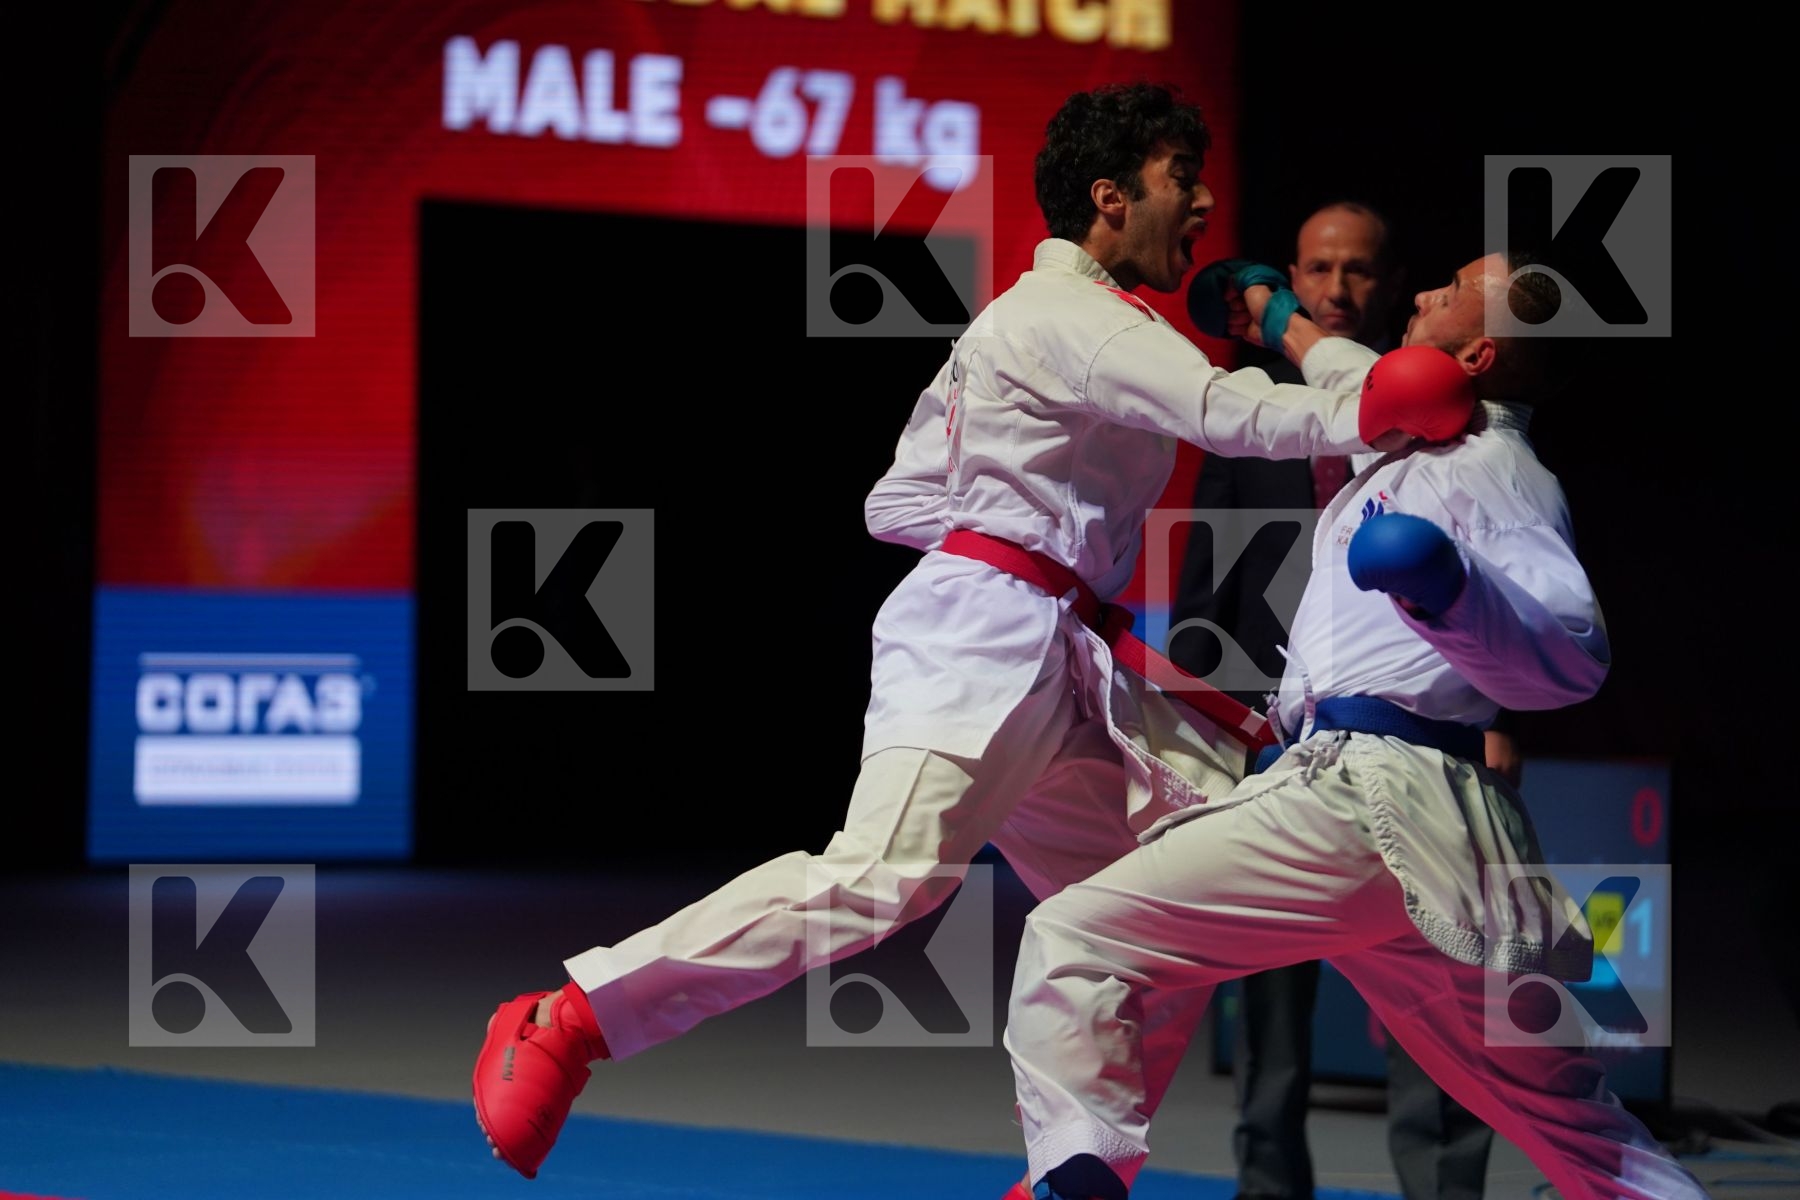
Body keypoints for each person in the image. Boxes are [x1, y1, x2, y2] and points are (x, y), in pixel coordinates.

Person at [469, 82, 1413, 1180]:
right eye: (1178, 180)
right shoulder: (1072, 318)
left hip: (1054, 650)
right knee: (882, 880)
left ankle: (1076, 1172)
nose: (1202, 202)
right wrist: (1387, 400)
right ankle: (569, 1015)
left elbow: (897, 498)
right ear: (1110, 199)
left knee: (1158, 922)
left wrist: (1024, 547)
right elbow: (1236, 415)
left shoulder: (1033, 323)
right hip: (983, 637)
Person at [1001, 253, 1712, 1200]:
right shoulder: (1418, 436)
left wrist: (1449, 590)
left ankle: (1073, 1183)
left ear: (1478, 353)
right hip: (1434, 840)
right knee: (1575, 1127)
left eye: (1448, 290)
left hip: (1370, 796)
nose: (1421, 293)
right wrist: (1275, 312)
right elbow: (1344, 371)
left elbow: (1574, 649)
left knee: (1074, 937)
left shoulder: (1495, 467)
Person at [1169, 202, 1498, 1200]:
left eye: (1360, 269)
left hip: (1412, 749)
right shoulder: (1249, 416)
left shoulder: (1444, 418)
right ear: (1298, 278)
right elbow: (1202, 604)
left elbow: (1496, 583)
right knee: (1268, 1012)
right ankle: (1269, 1191)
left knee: (1434, 995)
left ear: (1390, 283)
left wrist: (1500, 721)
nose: (1339, 288)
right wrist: (1209, 745)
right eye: (1318, 269)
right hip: (1276, 754)